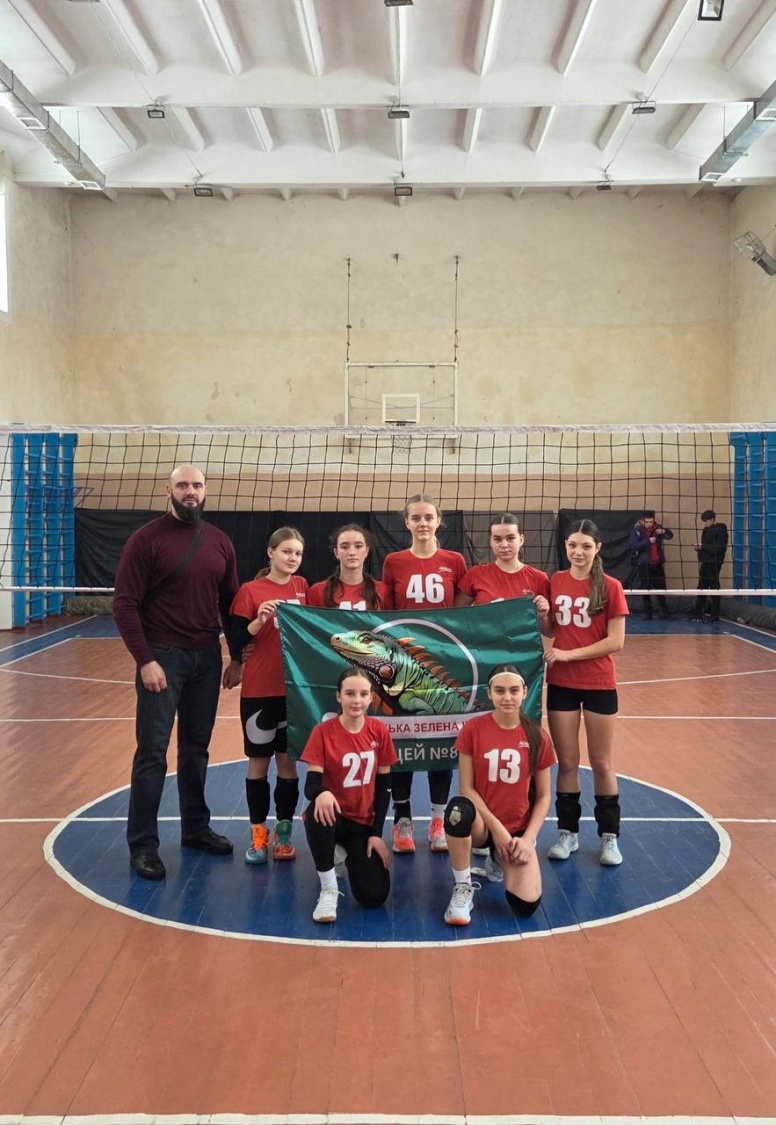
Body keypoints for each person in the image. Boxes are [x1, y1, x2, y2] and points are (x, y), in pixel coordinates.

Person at [113, 464, 241, 881]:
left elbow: (231, 604)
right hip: (163, 657)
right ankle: (143, 846)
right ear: (167, 490)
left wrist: (236, 656)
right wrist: (145, 659)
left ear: (206, 491)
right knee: (152, 752)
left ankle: (195, 829)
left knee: (196, 749)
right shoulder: (145, 540)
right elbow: (124, 605)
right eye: (183, 485)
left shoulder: (219, 541)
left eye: (197, 485)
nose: (191, 491)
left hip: (206, 657)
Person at [538, 519, 629, 866]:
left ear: (597, 549)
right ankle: (567, 833)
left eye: (586, 546)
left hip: (598, 682)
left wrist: (568, 654)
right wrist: (543, 615)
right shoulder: (556, 581)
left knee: (602, 762)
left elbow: (616, 641)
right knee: (567, 763)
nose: (578, 552)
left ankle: (609, 837)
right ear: (566, 547)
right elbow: (551, 630)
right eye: (573, 545)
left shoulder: (611, 586)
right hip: (561, 682)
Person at [382, 494, 468, 854]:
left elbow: (461, 614)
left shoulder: (454, 560)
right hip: (405, 665)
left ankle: (437, 820)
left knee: (440, 738)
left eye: (428, 517)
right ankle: (402, 819)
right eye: (416, 518)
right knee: (402, 739)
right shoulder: (394, 562)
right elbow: (388, 615)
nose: (422, 523)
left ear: (438, 521)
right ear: (406, 522)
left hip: (441, 663)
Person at [442, 665, 555, 926]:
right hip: (484, 826)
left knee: (525, 907)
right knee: (458, 811)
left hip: (517, 830)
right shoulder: (473, 729)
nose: (507, 697)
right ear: (489, 693)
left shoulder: (537, 736)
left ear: (525, 692)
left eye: (514, 691)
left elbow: (544, 797)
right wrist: (498, 831)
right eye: (500, 691)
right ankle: (462, 887)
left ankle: (497, 859)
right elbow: (466, 788)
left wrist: (527, 840)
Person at [229, 527, 308, 865]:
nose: (292, 558)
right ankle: (258, 834)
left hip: (293, 692)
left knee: (288, 764)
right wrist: (259, 621)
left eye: (298, 553)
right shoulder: (250, 591)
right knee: (258, 764)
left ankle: (284, 834)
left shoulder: (302, 587)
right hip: (260, 690)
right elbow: (235, 640)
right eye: (287, 551)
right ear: (271, 552)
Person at [301, 666, 398, 923]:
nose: (357, 700)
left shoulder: (379, 731)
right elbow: (311, 785)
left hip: (362, 824)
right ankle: (329, 889)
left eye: (363, 694)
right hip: (334, 817)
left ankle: (344, 852)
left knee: (374, 896)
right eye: (350, 694)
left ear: (371, 697)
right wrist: (321, 792)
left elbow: (384, 787)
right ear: (338, 696)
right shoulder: (323, 732)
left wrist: (376, 834)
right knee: (316, 812)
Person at [455, 512, 551, 608]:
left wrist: (544, 614)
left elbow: (549, 616)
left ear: (521, 540)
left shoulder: (539, 579)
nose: (504, 545)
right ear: (490, 541)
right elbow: (456, 612)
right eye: (497, 539)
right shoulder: (476, 575)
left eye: (510, 538)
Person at [307, 523, 387, 610]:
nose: (352, 552)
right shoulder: (318, 591)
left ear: (366, 551)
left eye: (358, 546)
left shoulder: (382, 590)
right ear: (336, 552)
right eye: (345, 547)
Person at [629, 510, 673, 619]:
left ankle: (664, 613)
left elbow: (670, 535)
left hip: (657, 564)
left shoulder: (657, 528)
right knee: (646, 589)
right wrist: (648, 541)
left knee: (661, 589)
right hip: (645, 565)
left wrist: (663, 531)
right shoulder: (637, 531)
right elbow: (633, 545)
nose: (649, 524)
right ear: (642, 521)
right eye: (647, 522)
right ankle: (648, 614)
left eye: (651, 522)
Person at [692, 509, 729, 622]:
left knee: (714, 588)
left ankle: (715, 615)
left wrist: (703, 547)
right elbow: (707, 547)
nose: (705, 524)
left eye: (706, 521)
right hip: (705, 562)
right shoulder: (706, 531)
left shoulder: (721, 531)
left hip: (714, 564)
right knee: (702, 588)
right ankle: (697, 614)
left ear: (712, 519)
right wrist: (699, 549)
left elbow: (719, 549)